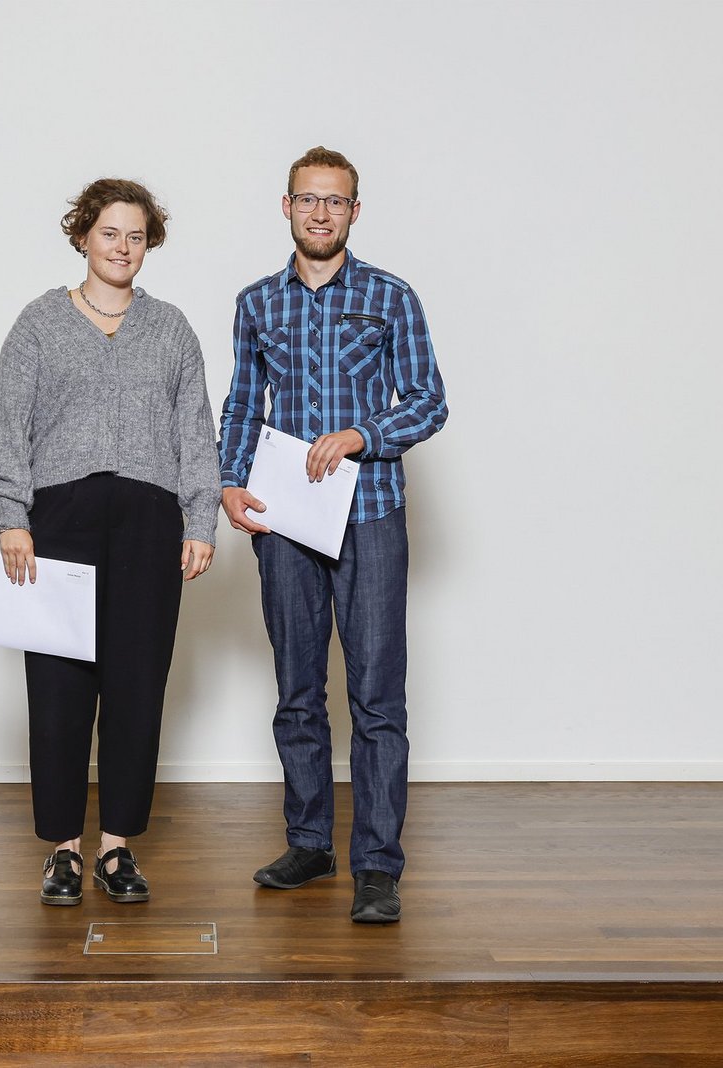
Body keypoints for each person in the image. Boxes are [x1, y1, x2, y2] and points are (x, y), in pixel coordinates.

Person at [218, 147, 448, 924]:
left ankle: (377, 867)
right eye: (308, 199)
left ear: (355, 211)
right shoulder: (257, 303)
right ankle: (309, 843)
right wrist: (227, 480)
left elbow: (428, 400)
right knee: (297, 690)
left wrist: (362, 434)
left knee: (377, 696)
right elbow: (242, 403)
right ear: (286, 207)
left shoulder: (391, 297)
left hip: (371, 513)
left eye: (336, 201)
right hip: (285, 521)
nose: (321, 213)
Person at [0, 178, 218, 906]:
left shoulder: (171, 330)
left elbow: (196, 433)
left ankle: (116, 848)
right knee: (58, 689)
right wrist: (11, 515)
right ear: (83, 235)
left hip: (150, 523)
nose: (122, 247)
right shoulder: (39, 324)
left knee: (137, 687)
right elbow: (8, 423)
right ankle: (63, 849)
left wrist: (200, 521)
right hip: (60, 521)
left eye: (136, 236)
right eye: (110, 233)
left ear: (150, 245)